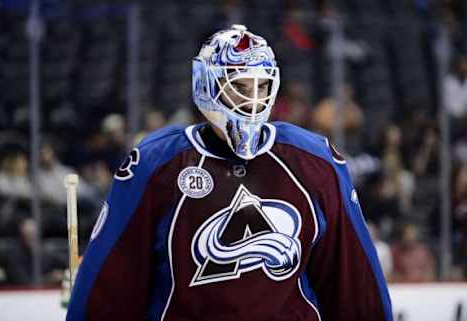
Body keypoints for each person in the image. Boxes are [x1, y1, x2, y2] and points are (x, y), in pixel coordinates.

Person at [67, 25, 392, 321]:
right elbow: (113, 280)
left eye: (261, 87)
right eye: (239, 88)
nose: (252, 102)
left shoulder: (315, 162)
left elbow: (354, 282)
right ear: (206, 85)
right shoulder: (157, 163)